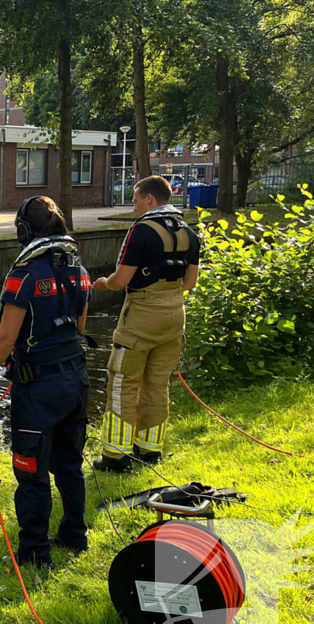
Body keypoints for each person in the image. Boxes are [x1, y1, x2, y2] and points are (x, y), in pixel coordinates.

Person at [0, 196, 92, 569]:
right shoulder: (79, 270)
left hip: (38, 391)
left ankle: (35, 553)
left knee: (31, 473)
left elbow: (5, 339)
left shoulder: (23, 275)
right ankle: (74, 536)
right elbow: (80, 327)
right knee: (69, 464)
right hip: (77, 380)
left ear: (24, 231)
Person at [91, 175, 202, 472]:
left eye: (137, 199)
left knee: (122, 383)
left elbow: (120, 281)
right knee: (157, 383)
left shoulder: (140, 231)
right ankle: (149, 450)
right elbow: (190, 283)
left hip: (140, 317)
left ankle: (115, 456)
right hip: (175, 317)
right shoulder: (190, 233)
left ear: (149, 199)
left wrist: (102, 283)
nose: (134, 205)